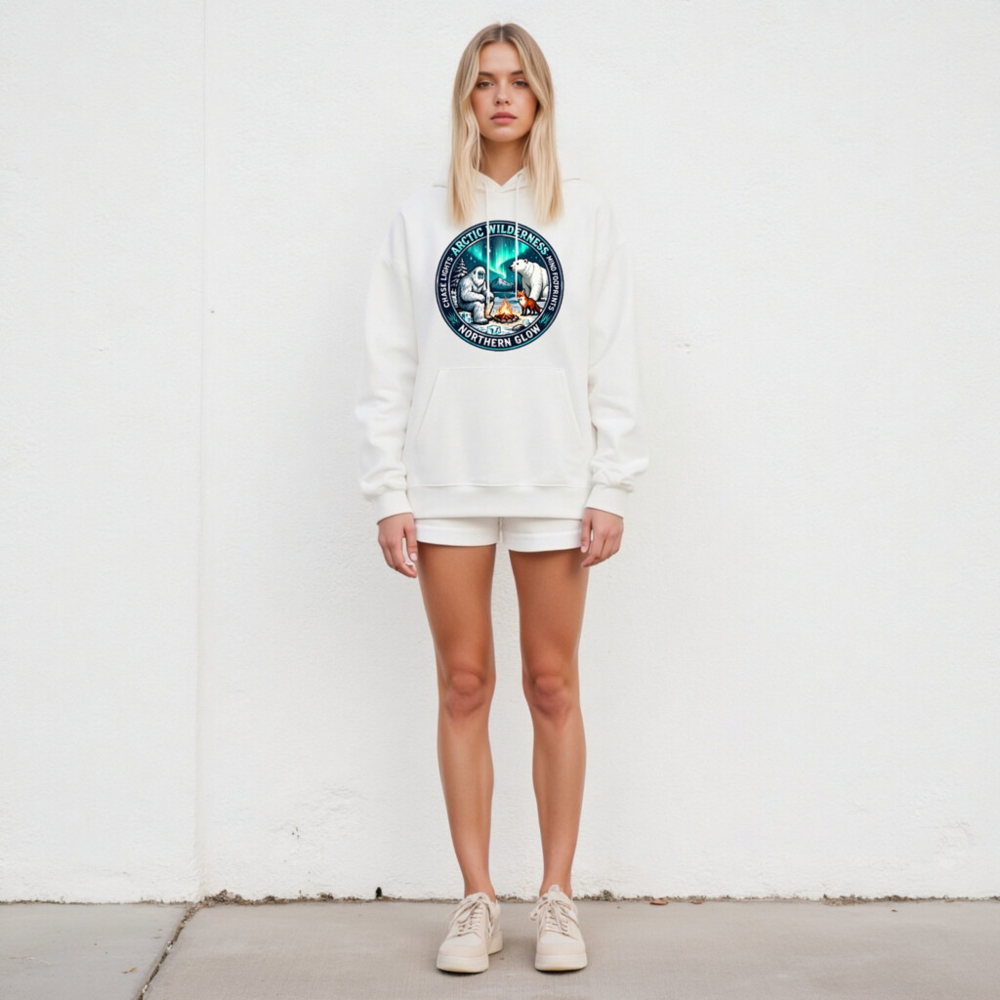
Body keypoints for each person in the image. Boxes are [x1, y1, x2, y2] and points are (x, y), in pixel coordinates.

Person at [354, 22, 648, 975]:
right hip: (447, 481)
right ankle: (476, 899)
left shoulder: (585, 216)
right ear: (466, 101)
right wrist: (389, 490)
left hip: (554, 482)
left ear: (541, 97)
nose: (503, 96)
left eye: (519, 81)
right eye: (485, 82)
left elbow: (612, 357)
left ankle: (556, 897)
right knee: (465, 684)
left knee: (552, 684)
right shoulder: (419, 218)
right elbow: (388, 363)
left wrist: (611, 482)